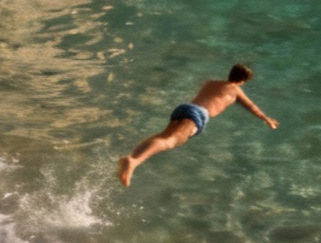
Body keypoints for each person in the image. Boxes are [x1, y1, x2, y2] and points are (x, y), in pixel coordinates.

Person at [118, 63, 278, 187]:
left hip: (185, 108)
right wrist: (266, 119)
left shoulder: (211, 82)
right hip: (198, 115)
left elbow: (207, 95)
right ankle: (133, 161)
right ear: (243, 80)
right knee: (171, 141)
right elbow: (251, 107)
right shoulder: (235, 89)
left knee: (163, 136)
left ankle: (133, 158)